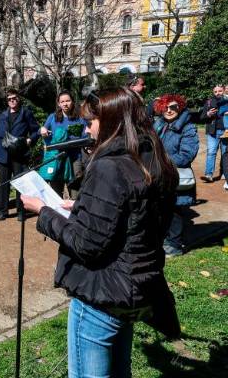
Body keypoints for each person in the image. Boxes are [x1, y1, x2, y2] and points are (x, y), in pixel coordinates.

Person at [21, 87, 179, 378]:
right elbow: (133, 216)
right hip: (134, 288)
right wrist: (84, 206)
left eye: (91, 121)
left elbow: (87, 244)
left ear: (111, 122)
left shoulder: (109, 165)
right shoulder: (153, 158)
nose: (87, 129)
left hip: (103, 293)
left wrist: (43, 212)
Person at [154, 94, 199, 257]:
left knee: (174, 210)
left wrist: (160, 160)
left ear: (179, 107)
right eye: (165, 107)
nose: (169, 110)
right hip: (157, 175)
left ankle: (175, 245)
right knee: (160, 209)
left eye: (173, 107)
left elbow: (187, 155)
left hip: (174, 176)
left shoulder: (188, 128)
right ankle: (163, 239)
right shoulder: (158, 125)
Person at [0, 89, 40, 221]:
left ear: (19, 99)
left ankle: (21, 211)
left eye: (14, 98)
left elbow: (36, 130)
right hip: (3, 154)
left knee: (20, 183)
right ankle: (3, 211)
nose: (12, 101)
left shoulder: (26, 113)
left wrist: (30, 140)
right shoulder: (3, 115)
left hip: (19, 153)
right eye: (9, 99)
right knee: (4, 183)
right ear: (7, 101)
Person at [39, 91, 88, 199]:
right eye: (62, 102)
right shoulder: (52, 117)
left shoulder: (80, 118)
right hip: (57, 158)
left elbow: (86, 136)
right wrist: (42, 130)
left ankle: (75, 208)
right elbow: (43, 130)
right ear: (58, 103)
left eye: (68, 101)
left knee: (75, 190)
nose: (65, 104)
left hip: (75, 158)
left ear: (72, 102)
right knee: (56, 190)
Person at [199, 85, 227, 183]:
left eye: (220, 91)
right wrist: (208, 114)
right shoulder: (209, 102)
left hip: (226, 131)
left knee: (225, 153)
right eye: (215, 91)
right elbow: (202, 117)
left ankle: (225, 173)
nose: (217, 93)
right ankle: (209, 174)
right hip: (212, 132)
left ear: (224, 90)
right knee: (211, 152)